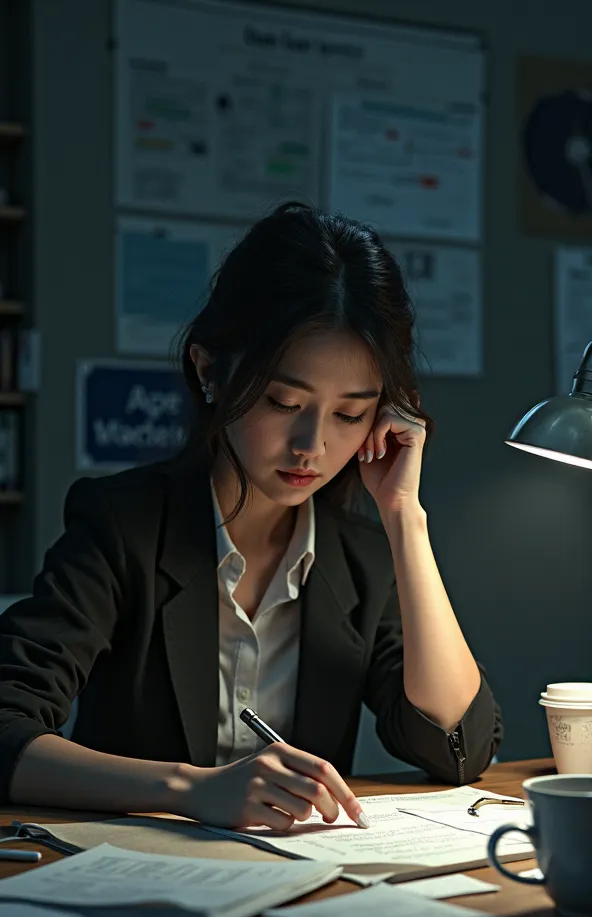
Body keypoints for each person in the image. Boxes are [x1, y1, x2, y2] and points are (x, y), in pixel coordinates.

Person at [0, 203, 502, 831]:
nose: (311, 445)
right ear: (210, 371)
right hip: (131, 879)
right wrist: (191, 790)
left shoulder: (363, 559)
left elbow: (458, 748)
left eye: (349, 414)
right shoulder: (122, 526)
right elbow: (5, 726)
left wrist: (405, 517)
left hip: (300, 893)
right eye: (283, 400)